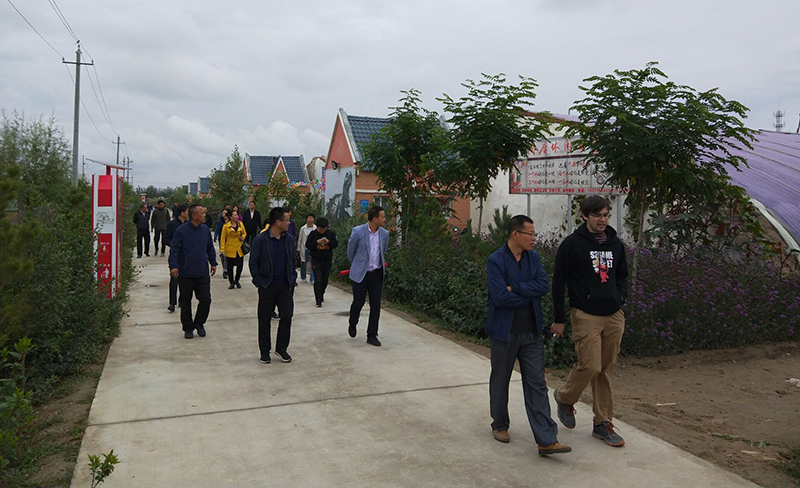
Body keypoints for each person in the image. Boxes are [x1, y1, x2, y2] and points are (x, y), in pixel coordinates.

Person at [485, 215, 571, 456]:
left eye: (534, 234)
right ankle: (500, 424)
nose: (534, 239)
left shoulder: (533, 258)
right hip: (504, 332)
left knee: (537, 385)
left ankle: (546, 439)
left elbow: (542, 285)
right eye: (530, 234)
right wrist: (527, 296)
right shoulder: (496, 260)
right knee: (500, 380)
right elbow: (500, 297)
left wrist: (516, 288)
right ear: (516, 234)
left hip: (531, 332)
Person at [551, 195, 628, 448]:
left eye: (606, 215)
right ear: (585, 216)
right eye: (597, 215)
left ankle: (602, 423)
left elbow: (622, 275)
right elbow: (558, 282)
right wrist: (559, 319)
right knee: (591, 365)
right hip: (585, 314)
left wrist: (620, 297)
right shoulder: (572, 244)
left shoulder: (615, 244)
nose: (602, 220)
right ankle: (565, 397)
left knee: (605, 369)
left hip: (613, 315)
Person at [250, 207, 296, 364]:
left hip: (285, 286)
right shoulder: (261, 240)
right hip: (267, 286)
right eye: (287, 220)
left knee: (286, 317)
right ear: (278, 222)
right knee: (264, 320)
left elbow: (292, 259)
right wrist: (259, 281)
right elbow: (253, 262)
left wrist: (292, 278)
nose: (289, 223)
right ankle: (265, 351)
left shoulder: (289, 239)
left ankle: (281, 348)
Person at [168, 204, 218, 339]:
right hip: (186, 272)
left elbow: (210, 247)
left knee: (205, 299)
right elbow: (174, 249)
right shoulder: (181, 231)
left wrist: (213, 262)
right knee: (185, 302)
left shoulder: (205, 230)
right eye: (202, 213)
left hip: (202, 271)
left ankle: (199, 323)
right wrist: (173, 266)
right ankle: (188, 327)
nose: (205, 215)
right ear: (194, 216)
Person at [347, 206, 389, 346]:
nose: (384, 219)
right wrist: (357, 265)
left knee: (376, 305)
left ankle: (372, 335)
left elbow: (383, 251)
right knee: (358, 302)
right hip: (361, 273)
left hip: (376, 274)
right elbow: (350, 251)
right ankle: (353, 322)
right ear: (375, 219)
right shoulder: (358, 231)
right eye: (382, 217)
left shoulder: (384, 234)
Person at [306, 217, 338, 307]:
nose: (322, 230)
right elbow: (308, 245)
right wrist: (316, 242)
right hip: (316, 260)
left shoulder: (330, 233)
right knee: (318, 279)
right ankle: (318, 299)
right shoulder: (313, 234)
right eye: (320, 229)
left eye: (323, 229)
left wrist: (329, 242)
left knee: (325, 279)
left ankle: (321, 293)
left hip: (327, 260)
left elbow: (335, 244)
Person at [164, 204, 188, 312]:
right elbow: (166, 238)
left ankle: (182, 300)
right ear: (182, 213)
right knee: (174, 279)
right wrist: (175, 245)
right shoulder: (172, 224)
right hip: (175, 255)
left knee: (185, 280)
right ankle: (172, 303)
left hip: (186, 256)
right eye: (187, 211)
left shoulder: (188, 224)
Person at [220, 209, 247, 289]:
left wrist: (243, 237)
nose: (236, 216)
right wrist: (222, 249)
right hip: (230, 248)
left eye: (237, 215)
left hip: (239, 248)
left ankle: (237, 280)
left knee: (240, 266)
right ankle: (231, 282)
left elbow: (244, 233)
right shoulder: (226, 226)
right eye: (234, 215)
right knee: (230, 267)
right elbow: (223, 238)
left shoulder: (240, 224)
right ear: (230, 217)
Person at [297, 213, 317, 283]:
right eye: (309, 218)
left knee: (313, 263)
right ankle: (303, 277)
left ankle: (312, 278)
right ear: (307, 219)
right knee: (303, 263)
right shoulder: (303, 228)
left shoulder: (315, 228)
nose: (310, 220)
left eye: (312, 218)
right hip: (304, 248)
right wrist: (298, 247)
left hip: (313, 248)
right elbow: (300, 238)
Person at [215, 209, 230, 280]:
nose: (224, 215)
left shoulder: (231, 221)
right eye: (223, 213)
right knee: (223, 255)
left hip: (230, 240)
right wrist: (215, 236)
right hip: (222, 240)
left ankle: (228, 269)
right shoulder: (220, 221)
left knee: (229, 256)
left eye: (225, 213)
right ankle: (225, 270)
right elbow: (217, 229)